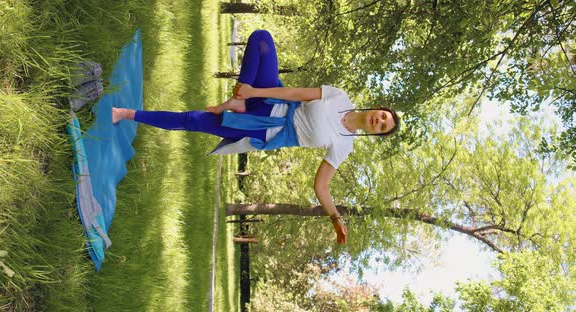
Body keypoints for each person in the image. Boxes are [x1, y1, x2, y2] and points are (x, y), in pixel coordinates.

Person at [112, 30, 400, 245]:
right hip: (271, 97)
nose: (379, 121)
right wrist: (251, 92)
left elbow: (321, 186)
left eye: (382, 127)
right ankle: (238, 99)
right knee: (262, 39)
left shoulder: (344, 146)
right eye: (383, 116)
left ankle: (125, 113)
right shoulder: (339, 96)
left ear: (374, 132)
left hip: (263, 129)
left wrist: (335, 218)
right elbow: (295, 93)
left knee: (193, 120)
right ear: (377, 109)